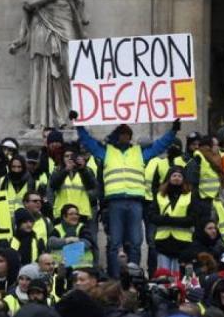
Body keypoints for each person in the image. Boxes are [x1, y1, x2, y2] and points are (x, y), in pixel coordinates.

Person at [76, 117, 179, 277]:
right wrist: (79, 126)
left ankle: (133, 276)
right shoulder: (107, 151)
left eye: (127, 134)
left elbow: (160, 146)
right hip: (115, 202)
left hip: (135, 202)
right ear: (117, 136)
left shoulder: (138, 152)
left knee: (136, 242)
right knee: (115, 243)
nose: (125, 137)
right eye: (122, 134)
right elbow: (89, 143)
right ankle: (116, 277)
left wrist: (173, 131)